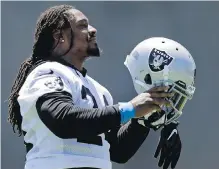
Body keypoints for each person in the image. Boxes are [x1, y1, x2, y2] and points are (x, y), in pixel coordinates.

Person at [7, 5, 173, 169]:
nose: (93, 30)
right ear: (60, 36)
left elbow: (117, 151)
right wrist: (130, 108)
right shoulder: (47, 72)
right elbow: (63, 120)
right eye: (82, 26)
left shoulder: (99, 90)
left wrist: (144, 117)